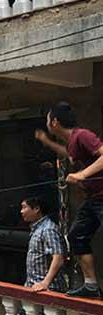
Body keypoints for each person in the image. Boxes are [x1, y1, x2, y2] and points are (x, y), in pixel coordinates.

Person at [35, 102, 103, 298]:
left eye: (48, 119)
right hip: (94, 199)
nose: (47, 123)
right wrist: (47, 142)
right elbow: (69, 154)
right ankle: (91, 286)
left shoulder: (83, 135)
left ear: (54, 122)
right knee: (76, 236)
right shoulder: (73, 142)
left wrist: (82, 175)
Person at [20, 197, 66, 293]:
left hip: (49, 289)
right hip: (34, 287)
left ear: (36, 209)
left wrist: (45, 283)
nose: (21, 211)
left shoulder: (48, 229)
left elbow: (58, 257)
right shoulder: (37, 229)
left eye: (24, 207)